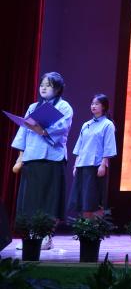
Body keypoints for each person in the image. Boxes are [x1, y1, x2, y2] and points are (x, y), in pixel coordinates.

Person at [10, 71, 74, 251]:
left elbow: (61, 128)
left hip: (51, 158)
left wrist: (42, 130)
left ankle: (46, 236)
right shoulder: (32, 107)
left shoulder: (64, 106)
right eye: (42, 85)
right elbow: (23, 132)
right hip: (32, 157)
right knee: (30, 199)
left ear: (58, 89)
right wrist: (20, 157)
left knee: (49, 199)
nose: (43, 88)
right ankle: (31, 236)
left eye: (49, 85)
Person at [67, 93, 117, 219]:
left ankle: (94, 228)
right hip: (82, 165)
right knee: (82, 199)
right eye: (92, 104)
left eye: (97, 104)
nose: (93, 106)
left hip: (95, 166)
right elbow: (79, 146)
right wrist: (75, 165)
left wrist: (103, 165)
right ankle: (84, 226)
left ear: (104, 106)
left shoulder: (107, 124)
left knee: (94, 199)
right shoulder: (86, 124)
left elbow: (109, 146)